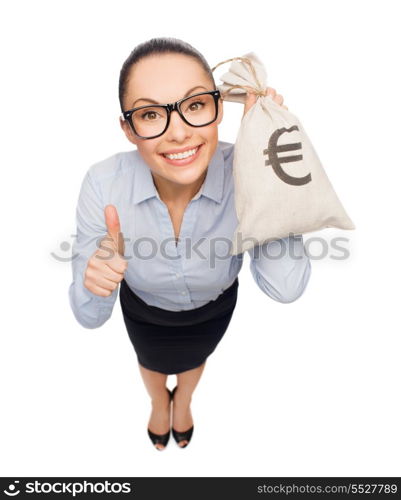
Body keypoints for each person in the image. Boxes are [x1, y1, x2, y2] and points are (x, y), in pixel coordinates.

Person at [68, 37, 312, 450]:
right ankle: (158, 403)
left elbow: (286, 287)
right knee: (150, 360)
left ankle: (184, 401)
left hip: (213, 309)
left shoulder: (247, 169)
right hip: (144, 309)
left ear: (218, 107)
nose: (179, 133)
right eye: (150, 114)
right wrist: (93, 281)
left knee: (196, 359)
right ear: (128, 129)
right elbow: (89, 318)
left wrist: (265, 166)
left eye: (195, 105)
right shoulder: (103, 183)